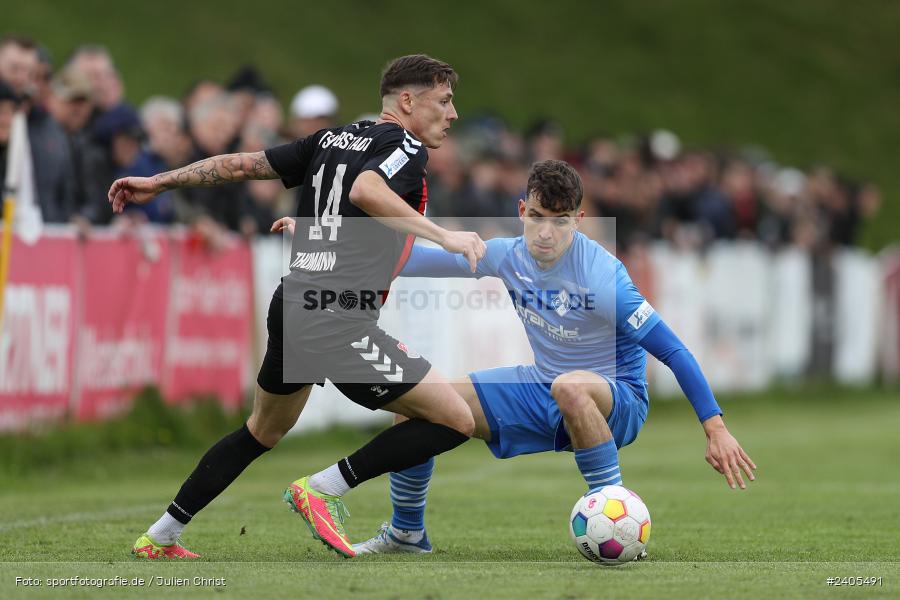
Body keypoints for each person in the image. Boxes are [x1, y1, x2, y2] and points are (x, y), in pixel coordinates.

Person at [108, 54, 485, 559]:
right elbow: (366, 190)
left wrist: (161, 181)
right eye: (444, 101)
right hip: (336, 317)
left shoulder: (329, 139)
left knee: (260, 431)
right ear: (407, 101)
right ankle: (323, 488)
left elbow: (239, 166)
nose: (453, 114)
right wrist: (447, 236)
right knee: (454, 420)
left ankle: (160, 536)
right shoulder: (405, 146)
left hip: (294, 303)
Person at [341, 159, 757, 555]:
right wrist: (323, 243)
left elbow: (673, 351)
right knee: (420, 401)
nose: (545, 231)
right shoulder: (506, 255)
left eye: (560, 221)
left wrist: (715, 427)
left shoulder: (602, 277)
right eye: (537, 216)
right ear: (522, 209)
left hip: (618, 397)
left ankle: (613, 512)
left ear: (577, 220)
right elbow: (408, 261)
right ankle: (406, 532)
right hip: (540, 385)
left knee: (570, 386)